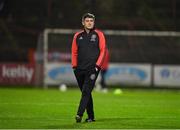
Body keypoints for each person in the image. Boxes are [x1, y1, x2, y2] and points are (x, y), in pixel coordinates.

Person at [71, 13, 106, 123]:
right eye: (87, 21)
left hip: (93, 69)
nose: (89, 22)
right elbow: (74, 52)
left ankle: (79, 114)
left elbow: (103, 51)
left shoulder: (99, 34)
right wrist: (74, 67)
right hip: (79, 69)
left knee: (86, 91)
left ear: (94, 22)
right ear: (83, 23)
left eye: (91, 21)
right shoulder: (77, 36)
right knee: (86, 92)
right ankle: (91, 117)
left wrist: (97, 66)